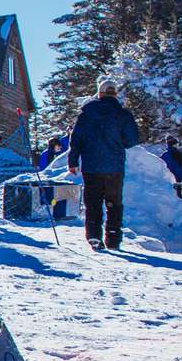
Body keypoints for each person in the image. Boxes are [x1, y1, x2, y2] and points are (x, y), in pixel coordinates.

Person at [67, 77, 141, 251]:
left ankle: (94, 236)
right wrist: (118, 142)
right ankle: (113, 239)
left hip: (91, 166)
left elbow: (76, 139)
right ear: (115, 94)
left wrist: (73, 161)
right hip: (114, 166)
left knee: (93, 203)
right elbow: (131, 140)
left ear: (99, 94)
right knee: (114, 203)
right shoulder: (123, 114)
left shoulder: (86, 114)